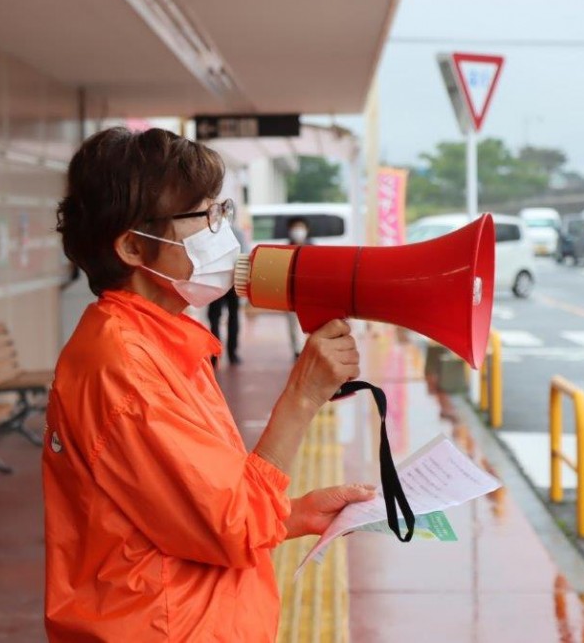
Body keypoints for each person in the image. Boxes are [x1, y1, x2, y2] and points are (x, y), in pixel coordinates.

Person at [46, 127, 373, 642]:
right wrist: (303, 395)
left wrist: (292, 514)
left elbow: (185, 509)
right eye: (205, 217)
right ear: (133, 246)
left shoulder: (153, 340)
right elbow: (232, 524)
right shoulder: (125, 367)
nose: (224, 231)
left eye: (221, 211)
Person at [207, 224, 246, 366]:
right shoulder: (211, 232)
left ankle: (229, 352)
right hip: (217, 282)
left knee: (229, 318)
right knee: (215, 318)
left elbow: (243, 256)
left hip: (230, 282)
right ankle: (217, 353)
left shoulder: (235, 232)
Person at [285, 217, 311, 358]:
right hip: (291, 294)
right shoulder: (286, 249)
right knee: (293, 324)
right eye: (295, 228)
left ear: (307, 230)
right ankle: (297, 351)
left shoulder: (314, 248)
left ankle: (310, 350)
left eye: (300, 227)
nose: (298, 231)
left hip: (309, 294)